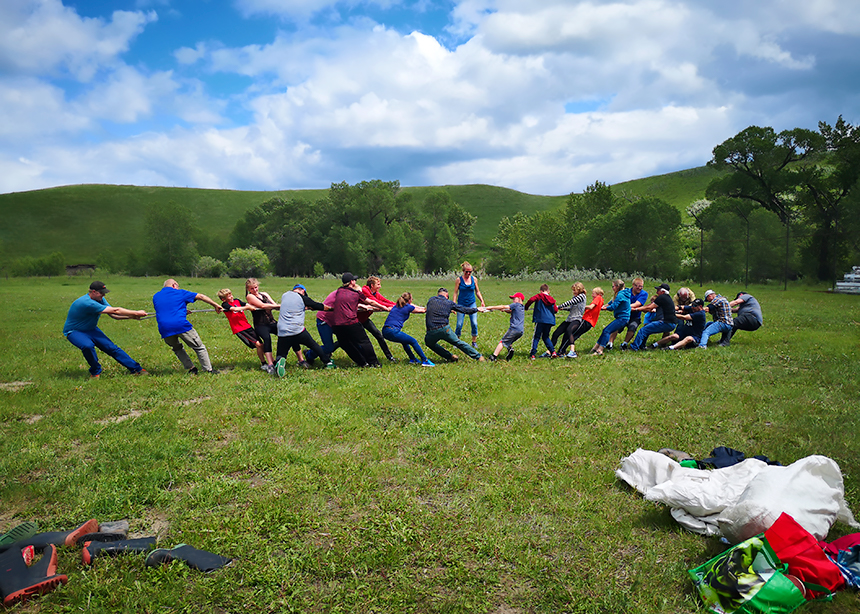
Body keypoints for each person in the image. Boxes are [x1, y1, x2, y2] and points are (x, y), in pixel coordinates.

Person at [63, 280, 148, 378]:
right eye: (101, 293)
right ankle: (95, 372)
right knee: (87, 346)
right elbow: (116, 310)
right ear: (93, 292)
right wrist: (136, 312)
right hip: (75, 331)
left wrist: (131, 317)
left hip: (91, 329)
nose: (103, 296)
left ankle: (136, 369)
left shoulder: (99, 299)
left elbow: (114, 315)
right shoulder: (87, 302)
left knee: (111, 348)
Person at [153, 279, 223, 374]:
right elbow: (201, 296)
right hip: (180, 325)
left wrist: (181, 311)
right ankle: (208, 370)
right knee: (199, 347)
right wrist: (215, 305)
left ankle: (191, 368)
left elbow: (167, 309)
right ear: (174, 285)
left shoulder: (156, 296)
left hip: (164, 328)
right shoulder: (180, 293)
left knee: (177, 348)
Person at [331, 273, 390, 367]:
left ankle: (362, 363)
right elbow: (370, 301)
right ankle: (374, 363)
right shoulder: (356, 293)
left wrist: (360, 305)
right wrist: (384, 308)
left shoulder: (339, 291)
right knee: (364, 342)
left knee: (346, 344)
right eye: (354, 280)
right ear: (352, 282)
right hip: (351, 322)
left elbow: (345, 302)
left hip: (337, 324)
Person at [274, 284, 335, 374]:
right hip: (297, 330)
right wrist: (332, 309)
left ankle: (279, 362)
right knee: (314, 345)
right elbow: (318, 306)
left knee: (281, 353)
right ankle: (327, 362)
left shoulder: (285, 295)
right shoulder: (303, 298)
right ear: (303, 291)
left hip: (283, 330)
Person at [217, 288, 271, 373]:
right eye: (228, 296)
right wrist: (247, 307)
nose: (231, 297)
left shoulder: (237, 301)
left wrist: (254, 306)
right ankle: (264, 364)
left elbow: (247, 304)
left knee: (261, 345)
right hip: (239, 329)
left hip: (247, 326)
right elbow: (234, 309)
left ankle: (270, 361)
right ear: (224, 299)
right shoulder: (225, 305)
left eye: (231, 294)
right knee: (258, 344)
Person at [424, 288, 485, 362]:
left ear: (438, 294)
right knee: (458, 343)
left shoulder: (431, 300)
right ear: (447, 296)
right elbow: (464, 310)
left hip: (431, 331)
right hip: (444, 329)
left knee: (429, 343)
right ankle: (479, 357)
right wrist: (477, 309)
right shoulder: (449, 303)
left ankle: (450, 356)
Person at [381, 292, 434, 366]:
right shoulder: (408, 307)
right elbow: (422, 310)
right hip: (393, 331)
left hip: (385, 331)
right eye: (412, 299)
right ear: (409, 300)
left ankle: (413, 359)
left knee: (405, 341)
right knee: (413, 341)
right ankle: (425, 360)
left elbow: (413, 306)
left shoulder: (396, 306)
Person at [629, 283, 678, 350]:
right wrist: (640, 308)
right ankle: (641, 346)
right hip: (672, 323)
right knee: (647, 330)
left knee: (643, 330)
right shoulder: (667, 298)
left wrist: (636, 309)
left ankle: (634, 347)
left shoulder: (662, 297)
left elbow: (649, 308)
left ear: (663, 291)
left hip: (666, 323)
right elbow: (649, 305)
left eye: (658, 290)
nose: (656, 292)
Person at [245, 278, 280, 372]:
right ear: (249, 289)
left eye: (256, 287)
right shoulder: (250, 297)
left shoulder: (264, 294)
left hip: (271, 322)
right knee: (267, 339)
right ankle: (270, 364)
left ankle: (279, 359)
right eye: (252, 288)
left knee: (286, 334)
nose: (255, 290)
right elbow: (263, 306)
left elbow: (273, 304)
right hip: (260, 324)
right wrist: (279, 306)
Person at [360, 276, 397, 362]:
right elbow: (376, 303)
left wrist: (398, 305)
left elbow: (385, 301)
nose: (380, 286)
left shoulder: (375, 293)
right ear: (372, 285)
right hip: (356, 321)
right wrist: (387, 307)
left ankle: (389, 357)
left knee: (378, 335)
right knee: (348, 340)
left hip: (364, 319)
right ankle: (328, 352)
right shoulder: (365, 291)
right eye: (378, 284)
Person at [591, 280, 630, 355]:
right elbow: (611, 303)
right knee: (605, 330)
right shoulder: (621, 293)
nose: (612, 288)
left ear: (617, 286)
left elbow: (613, 306)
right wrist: (603, 306)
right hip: (621, 317)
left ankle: (600, 350)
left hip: (623, 318)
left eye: (613, 286)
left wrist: (604, 308)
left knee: (607, 331)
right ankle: (595, 348)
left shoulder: (620, 295)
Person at [484, 292, 526, 361]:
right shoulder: (521, 307)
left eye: (514, 299)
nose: (513, 301)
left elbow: (504, 306)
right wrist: (504, 310)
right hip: (520, 331)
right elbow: (510, 311)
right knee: (509, 341)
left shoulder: (515, 305)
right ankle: (510, 349)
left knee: (502, 342)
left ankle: (493, 357)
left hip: (514, 329)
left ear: (519, 299)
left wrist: (491, 307)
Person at [453, 261, 485, 348]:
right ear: (463, 271)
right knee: (459, 324)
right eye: (466, 272)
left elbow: (477, 291)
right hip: (461, 304)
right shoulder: (459, 280)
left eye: (470, 272)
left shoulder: (474, 279)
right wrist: (453, 304)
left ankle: (474, 341)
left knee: (474, 323)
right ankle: (457, 341)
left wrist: (482, 300)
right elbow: (455, 293)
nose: (468, 273)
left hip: (472, 303)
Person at [566, 287, 604, 358]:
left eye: (593, 293)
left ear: (598, 293)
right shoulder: (601, 300)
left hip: (587, 319)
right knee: (576, 334)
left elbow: (591, 307)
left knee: (573, 334)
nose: (592, 295)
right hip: (591, 321)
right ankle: (568, 349)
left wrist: (580, 307)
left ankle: (567, 350)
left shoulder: (598, 298)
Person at [552, 283, 588, 356]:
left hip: (576, 319)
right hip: (569, 319)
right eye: (573, 290)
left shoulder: (582, 296)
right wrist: (563, 308)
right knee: (556, 333)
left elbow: (570, 302)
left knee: (569, 331)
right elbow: (571, 308)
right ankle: (550, 351)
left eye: (575, 290)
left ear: (579, 290)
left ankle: (572, 351)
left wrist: (558, 306)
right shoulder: (574, 297)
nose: (574, 292)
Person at [525, 284, 559, 359]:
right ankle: (553, 352)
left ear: (541, 291)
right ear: (548, 291)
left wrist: (526, 307)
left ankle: (533, 354)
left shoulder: (539, 296)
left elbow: (531, 300)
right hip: (549, 321)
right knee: (546, 336)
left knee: (537, 336)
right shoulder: (551, 299)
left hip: (540, 319)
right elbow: (556, 310)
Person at [612, 278, 647, 350]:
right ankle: (610, 344)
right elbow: (616, 300)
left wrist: (624, 307)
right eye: (637, 286)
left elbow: (637, 304)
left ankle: (624, 344)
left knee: (632, 328)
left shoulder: (644, 294)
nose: (639, 288)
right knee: (615, 327)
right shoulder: (626, 291)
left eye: (641, 286)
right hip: (623, 315)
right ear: (633, 285)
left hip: (635, 316)